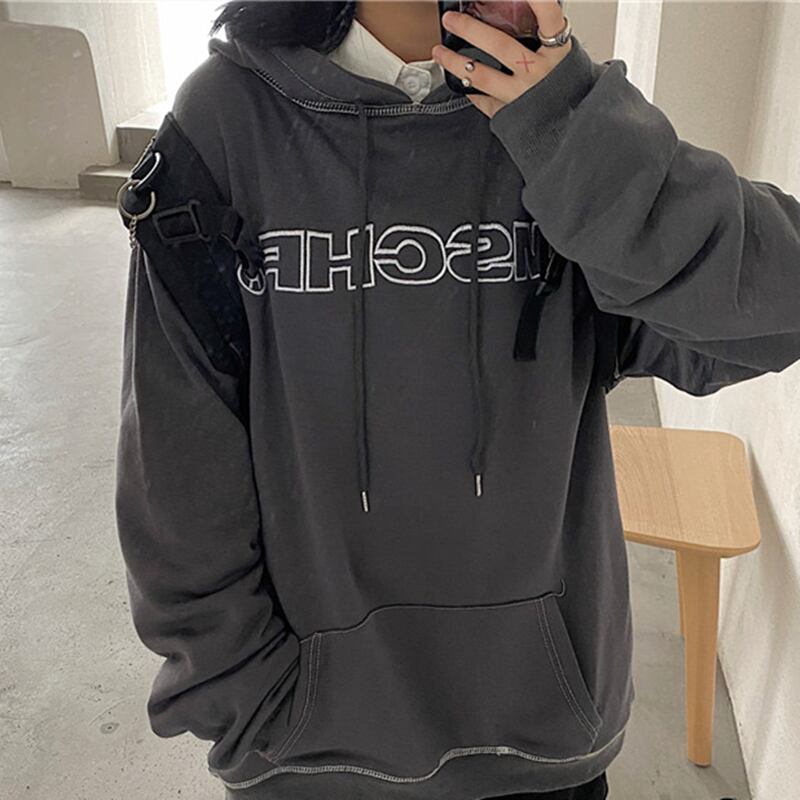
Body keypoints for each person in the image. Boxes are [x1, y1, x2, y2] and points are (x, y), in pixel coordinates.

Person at [112, 2, 800, 799]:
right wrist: (253, 705)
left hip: (545, 744)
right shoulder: (225, 125)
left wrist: (573, 128)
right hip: (309, 762)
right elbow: (178, 467)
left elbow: (775, 312)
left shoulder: (560, 121)